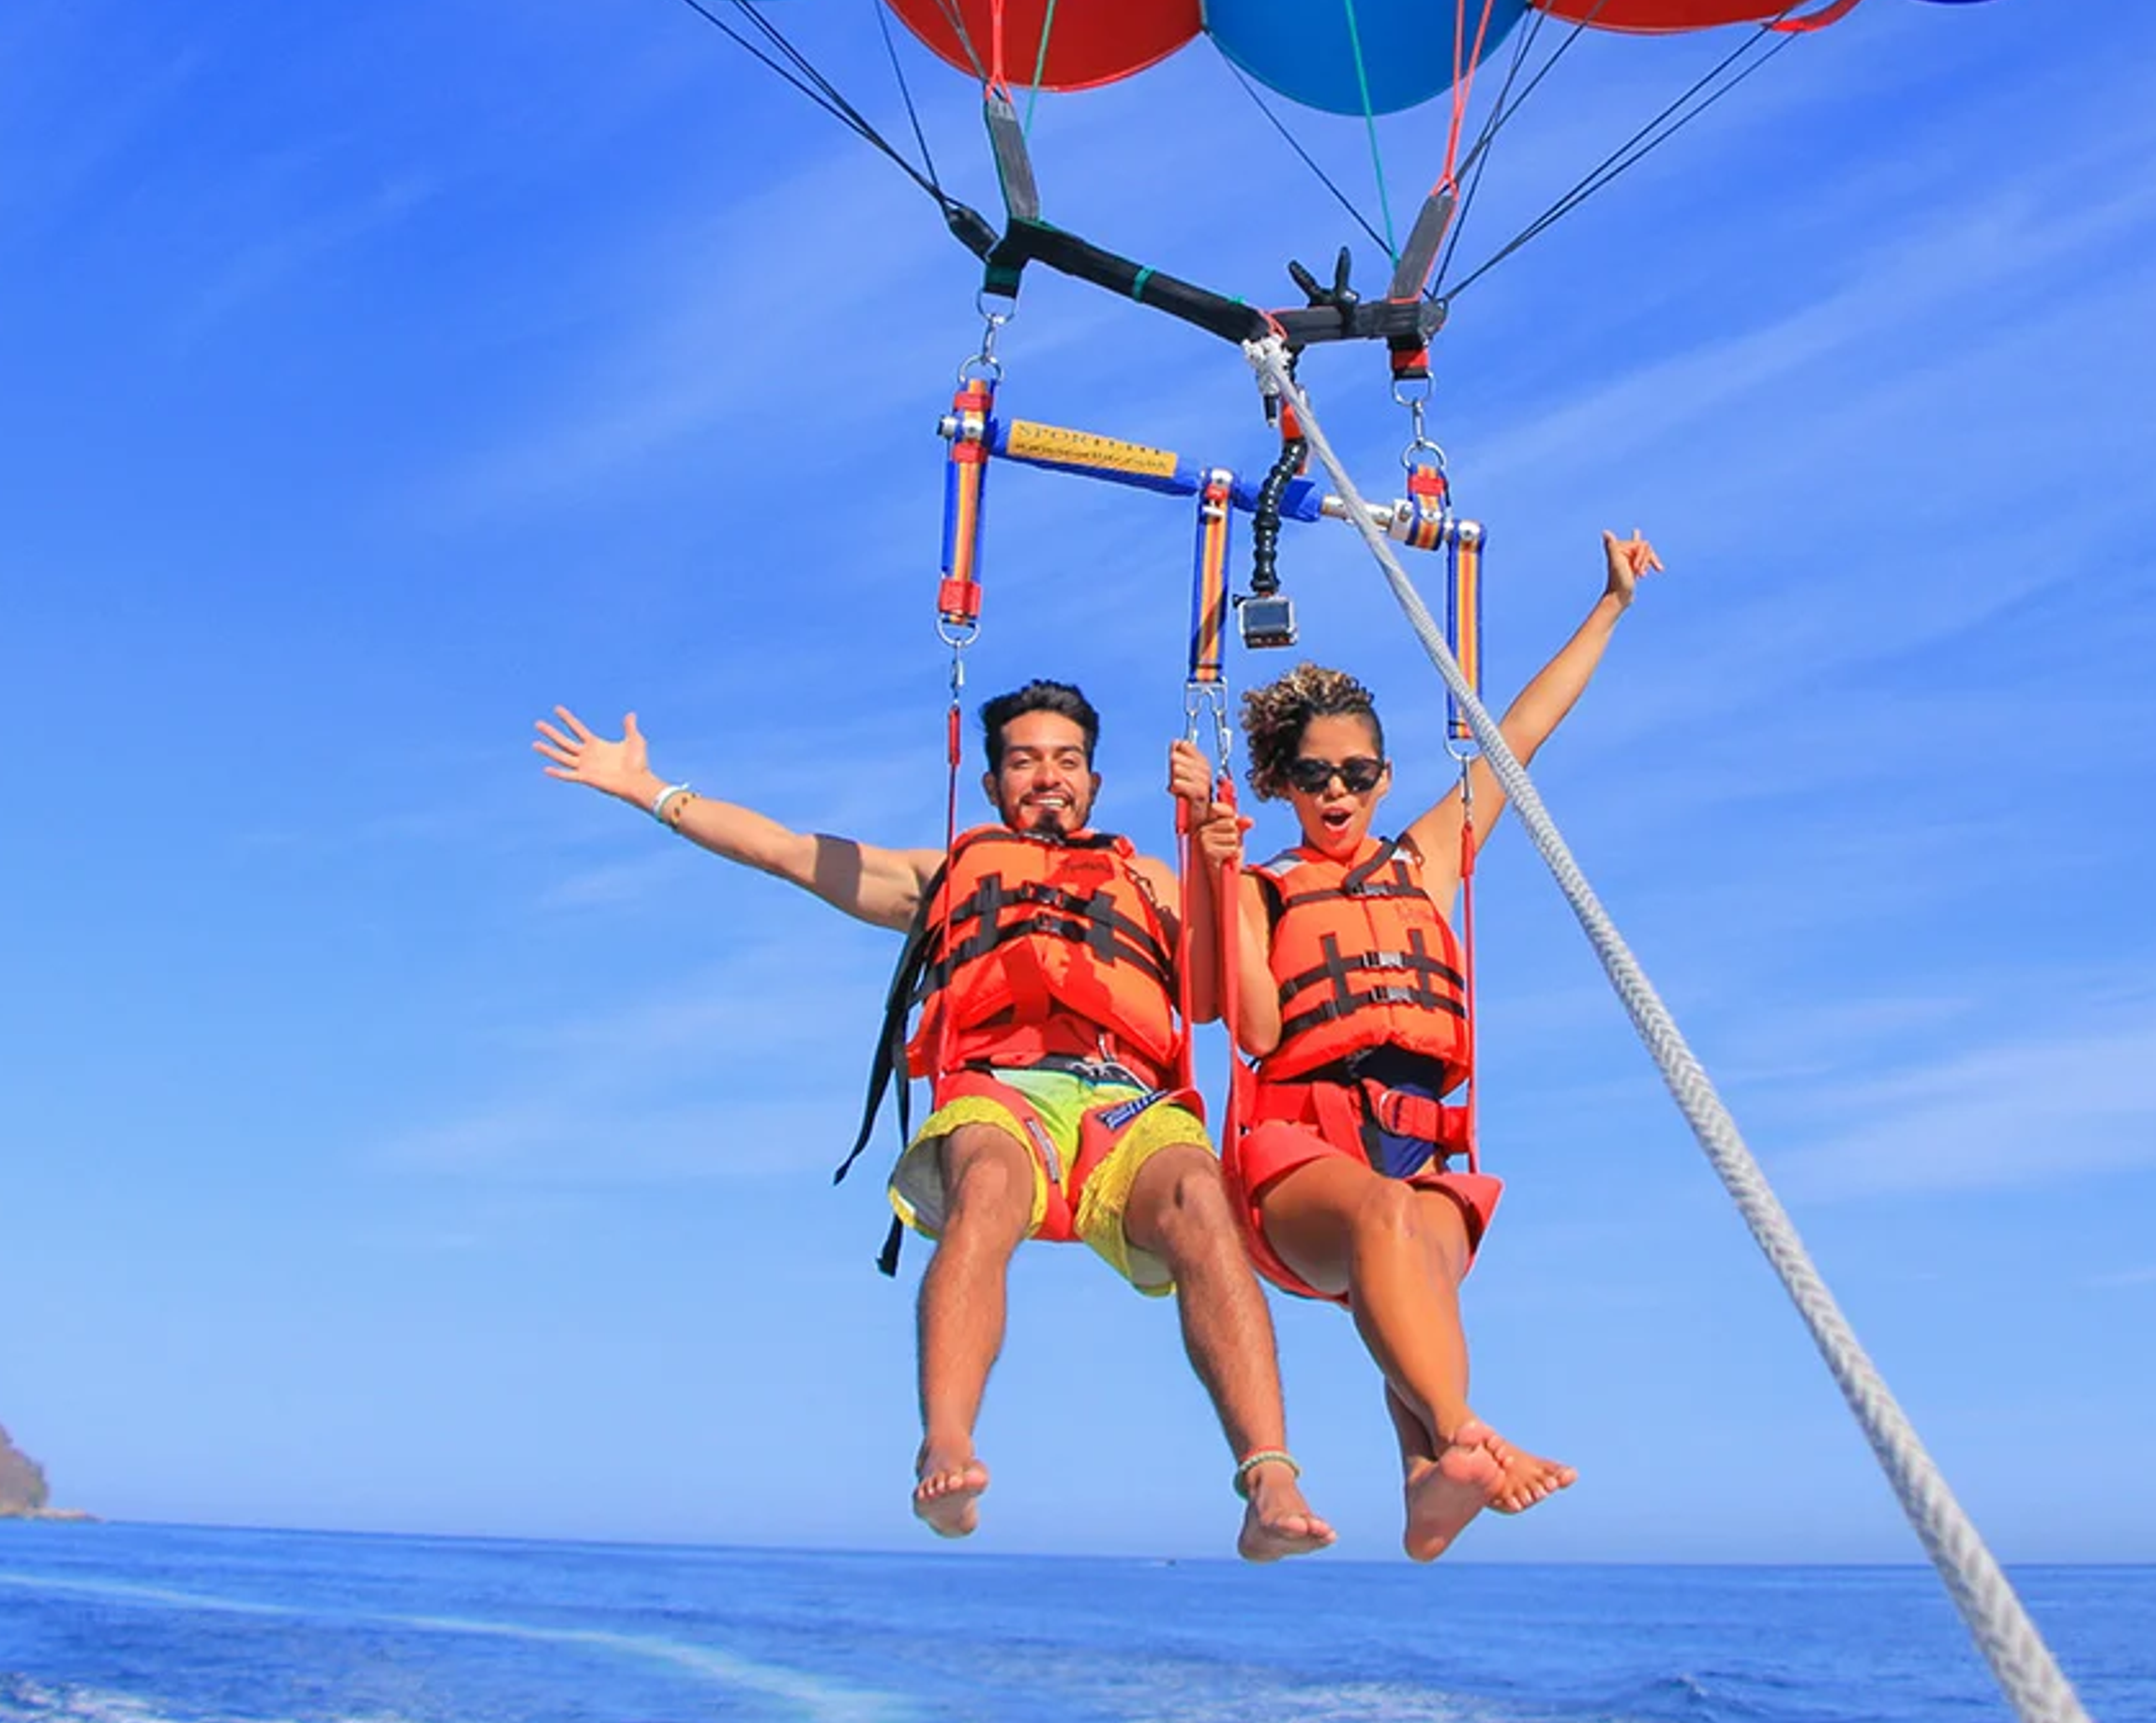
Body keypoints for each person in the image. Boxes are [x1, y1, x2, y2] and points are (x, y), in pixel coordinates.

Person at [535, 681, 1334, 1562]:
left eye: (1067, 761)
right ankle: (946, 1444)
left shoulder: (1151, 878)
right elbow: (787, 851)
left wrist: (1215, 863)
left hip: (1125, 1099)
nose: (1048, 776)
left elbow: (1229, 1009)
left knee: (1200, 1198)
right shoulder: (943, 874)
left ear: (1094, 782)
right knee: (986, 1184)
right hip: (1001, 1091)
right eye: (1025, 761)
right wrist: (649, 790)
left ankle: (1268, 1477)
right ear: (992, 784)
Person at [1169, 530, 1663, 1560]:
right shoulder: (1262, 886)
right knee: (1386, 1218)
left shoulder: (1425, 860)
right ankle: (1465, 1433)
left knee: (1417, 1248)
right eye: (1314, 774)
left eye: (1356, 771)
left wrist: (1611, 604)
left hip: (1419, 1149)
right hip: (1296, 1166)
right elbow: (1252, 1027)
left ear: (1386, 777)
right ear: (1282, 782)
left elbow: (1521, 731)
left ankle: (1427, 1484)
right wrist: (1211, 867)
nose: (1337, 791)